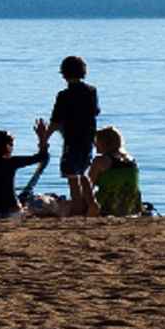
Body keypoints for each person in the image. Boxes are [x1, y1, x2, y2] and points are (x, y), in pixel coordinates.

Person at [49, 55, 100, 217]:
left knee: (72, 176)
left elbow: (56, 121)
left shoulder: (63, 95)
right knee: (83, 172)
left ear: (64, 74)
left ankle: (78, 207)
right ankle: (91, 203)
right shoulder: (91, 91)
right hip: (87, 138)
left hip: (71, 139)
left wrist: (44, 138)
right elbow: (96, 112)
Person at [0, 119, 53, 219]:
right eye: (11, 145)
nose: (12, 148)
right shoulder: (11, 162)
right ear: (6, 146)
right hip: (12, 210)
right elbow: (43, 157)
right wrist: (42, 138)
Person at [74, 125, 143, 217]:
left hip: (108, 206)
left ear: (104, 143)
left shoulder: (100, 161)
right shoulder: (131, 160)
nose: (94, 145)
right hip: (131, 206)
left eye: (96, 141)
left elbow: (88, 186)